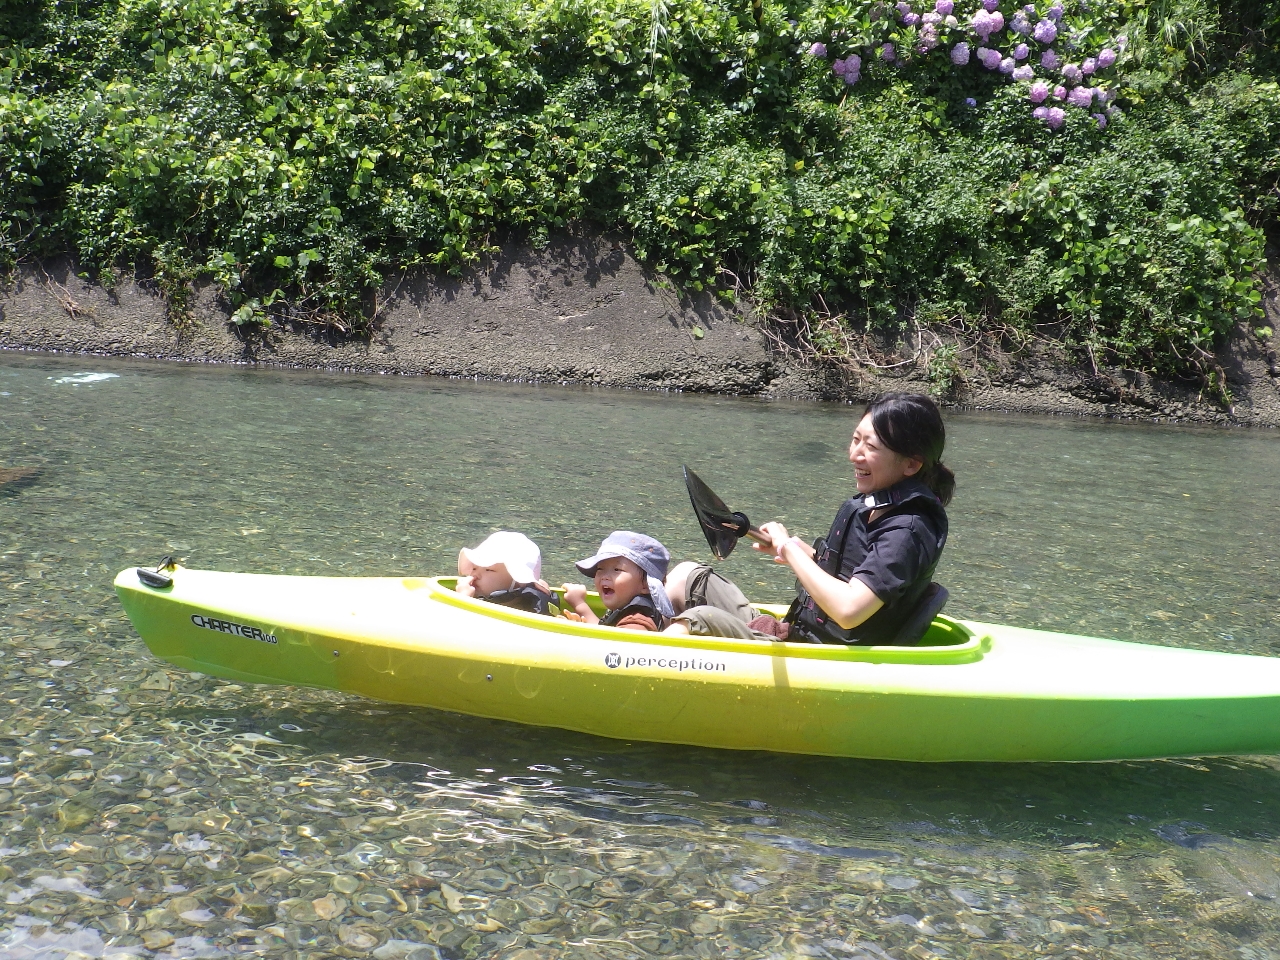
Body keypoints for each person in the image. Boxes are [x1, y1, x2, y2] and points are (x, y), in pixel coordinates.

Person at [667, 392, 953, 645]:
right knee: (686, 577)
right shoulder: (875, 505)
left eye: (871, 447)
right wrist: (808, 554)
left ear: (911, 464)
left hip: (824, 657)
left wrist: (790, 552)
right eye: (855, 440)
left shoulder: (908, 530)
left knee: (697, 620)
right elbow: (854, 573)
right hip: (796, 632)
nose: (855, 455)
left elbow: (849, 610)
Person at [562, 532, 674, 632]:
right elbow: (602, 630)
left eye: (617, 570)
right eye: (600, 569)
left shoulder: (636, 619)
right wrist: (579, 603)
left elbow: (619, 647)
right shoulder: (624, 606)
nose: (605, 577)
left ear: (646, 584)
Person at [456, 531, 555, 615]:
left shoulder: (528, 611)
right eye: (474, 568)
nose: (475, 575)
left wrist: (463, 599)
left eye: (489, 569)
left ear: (517, 582)